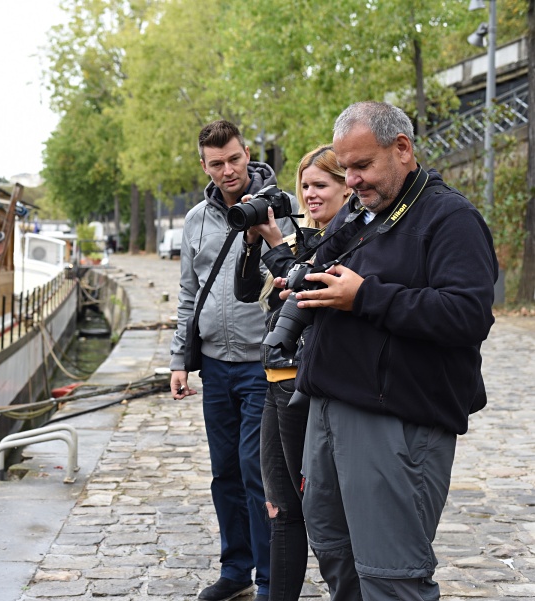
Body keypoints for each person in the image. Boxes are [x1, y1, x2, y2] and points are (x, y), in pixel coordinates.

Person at [288, 101, 497, 600]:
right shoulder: (359, 216)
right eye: (346, 168)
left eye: (362, 166)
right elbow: (330, 275)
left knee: (391, 577)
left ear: (402, 148)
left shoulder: (452, 218)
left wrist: (364, 296)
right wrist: (304, 287)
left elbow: (469, 315)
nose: (352, 181)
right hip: (330, 408)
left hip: (396, 420)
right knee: (336, 555)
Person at [170, 119, 291, 601]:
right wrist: (180, 359)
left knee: (255, 470)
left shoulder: (278, 209)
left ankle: (268, 577)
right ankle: (236, 569)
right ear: (204, 165)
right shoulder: (195, 219)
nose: (228, 170)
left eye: (234, 159)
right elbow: (187, 293)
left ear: (248, 154)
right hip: (215, 366)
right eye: (216, 163)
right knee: (224, 470)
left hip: (262, 365)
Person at [235, 145, 351, 601]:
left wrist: (278, 249)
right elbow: (248, 291)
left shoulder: (347, 241)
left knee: (311, 511)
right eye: (304, 186)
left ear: (348, 188)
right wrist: (255, 242)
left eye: (320, 185)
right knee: (279, 509)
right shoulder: (306, 240)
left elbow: (310, 288)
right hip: (274, 380)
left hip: (304, 385)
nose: (310, 194)